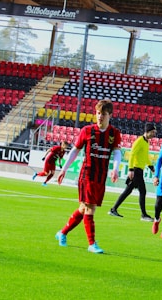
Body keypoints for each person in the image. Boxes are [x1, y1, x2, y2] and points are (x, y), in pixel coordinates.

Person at [55, 99, 122, 254]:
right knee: (90, 209)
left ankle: (62, 232)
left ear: (110, 115)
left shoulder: (114, 133)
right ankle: (92, 244)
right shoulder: (87, 130)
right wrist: (64, 169)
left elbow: (117, 152)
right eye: (98, 113)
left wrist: (116, 168)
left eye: (103, 114)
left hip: (101, 176)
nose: (100, 117)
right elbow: (75, 150)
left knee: (83, 208)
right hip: (87, 175)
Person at [109, 123, 157, 221]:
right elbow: (132, 155)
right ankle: (143, 215)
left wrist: (150, 166)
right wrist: (130, 169)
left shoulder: (146, 142)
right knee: (142, 191)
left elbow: (145, 156)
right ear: (147, 131)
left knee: (128, 191)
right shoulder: (139, 141)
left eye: (154, 132)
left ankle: (113, 209)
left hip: (139, 170)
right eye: (152, 132)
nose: (153, 134)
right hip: (136, 170)